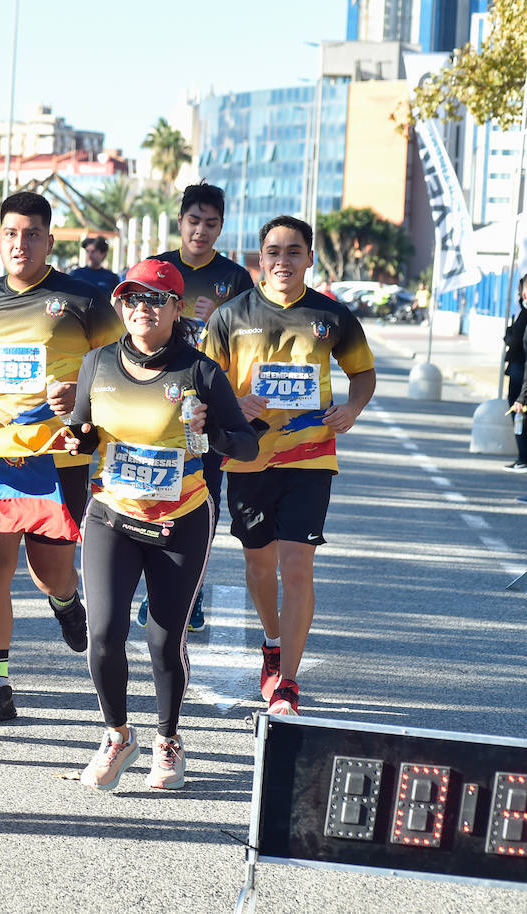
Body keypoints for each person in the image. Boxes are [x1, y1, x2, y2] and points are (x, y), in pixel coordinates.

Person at [56, 259, 258, 790]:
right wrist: (77, 439)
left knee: (164, 641)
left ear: (175, 309)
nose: (142, 308)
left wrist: (211, 427)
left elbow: (247, 444)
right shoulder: (97, 363)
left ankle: (168, 741)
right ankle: (118, 735)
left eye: (155, 299)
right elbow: (85, 431)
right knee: (103, 633)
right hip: (112, 514)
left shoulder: (200, 372)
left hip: (182, 518)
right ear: (121, 306)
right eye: (132, 298)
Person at [0, 191, 122, 725]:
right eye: (11, 234)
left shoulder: (82, 299)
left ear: (48, 240)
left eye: (32, 234)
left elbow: (121, 365)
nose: (20, 244)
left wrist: (79, 396)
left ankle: (65, 602)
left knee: (50, 572)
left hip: (61, 456)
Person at [199, 215, 375, 716]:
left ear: (310, 259)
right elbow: (202, 386)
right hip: (248, 458)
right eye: (273, 252)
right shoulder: (230, 316)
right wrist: (236, 403)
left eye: (294, 252)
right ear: (260, 258)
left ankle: (288, 684)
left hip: (311, 456)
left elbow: (362, 373)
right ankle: (272, 643)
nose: (283, 261)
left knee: (298, 565)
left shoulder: (331, 315)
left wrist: (353, 408)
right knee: (260, 563)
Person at [142, 182, 255, 632]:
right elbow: (131, 329)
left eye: (211, 224)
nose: (201, 232)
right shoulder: (155, 269)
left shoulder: (236, 280)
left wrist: (214, 320)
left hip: (208, 407)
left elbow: (247, 344)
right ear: (180, 222)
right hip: (153, 405)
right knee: (152, 496)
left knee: (202, 498)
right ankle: (154, 590)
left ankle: (193, 590)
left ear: (221, 228)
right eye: (194, 222)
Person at [503, 275, 527, 472]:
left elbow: (516, 340)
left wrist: (522, 396)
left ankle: (523, 456)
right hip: (519, 369)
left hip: (521, 372)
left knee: (519, 414)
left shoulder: (525, 313)